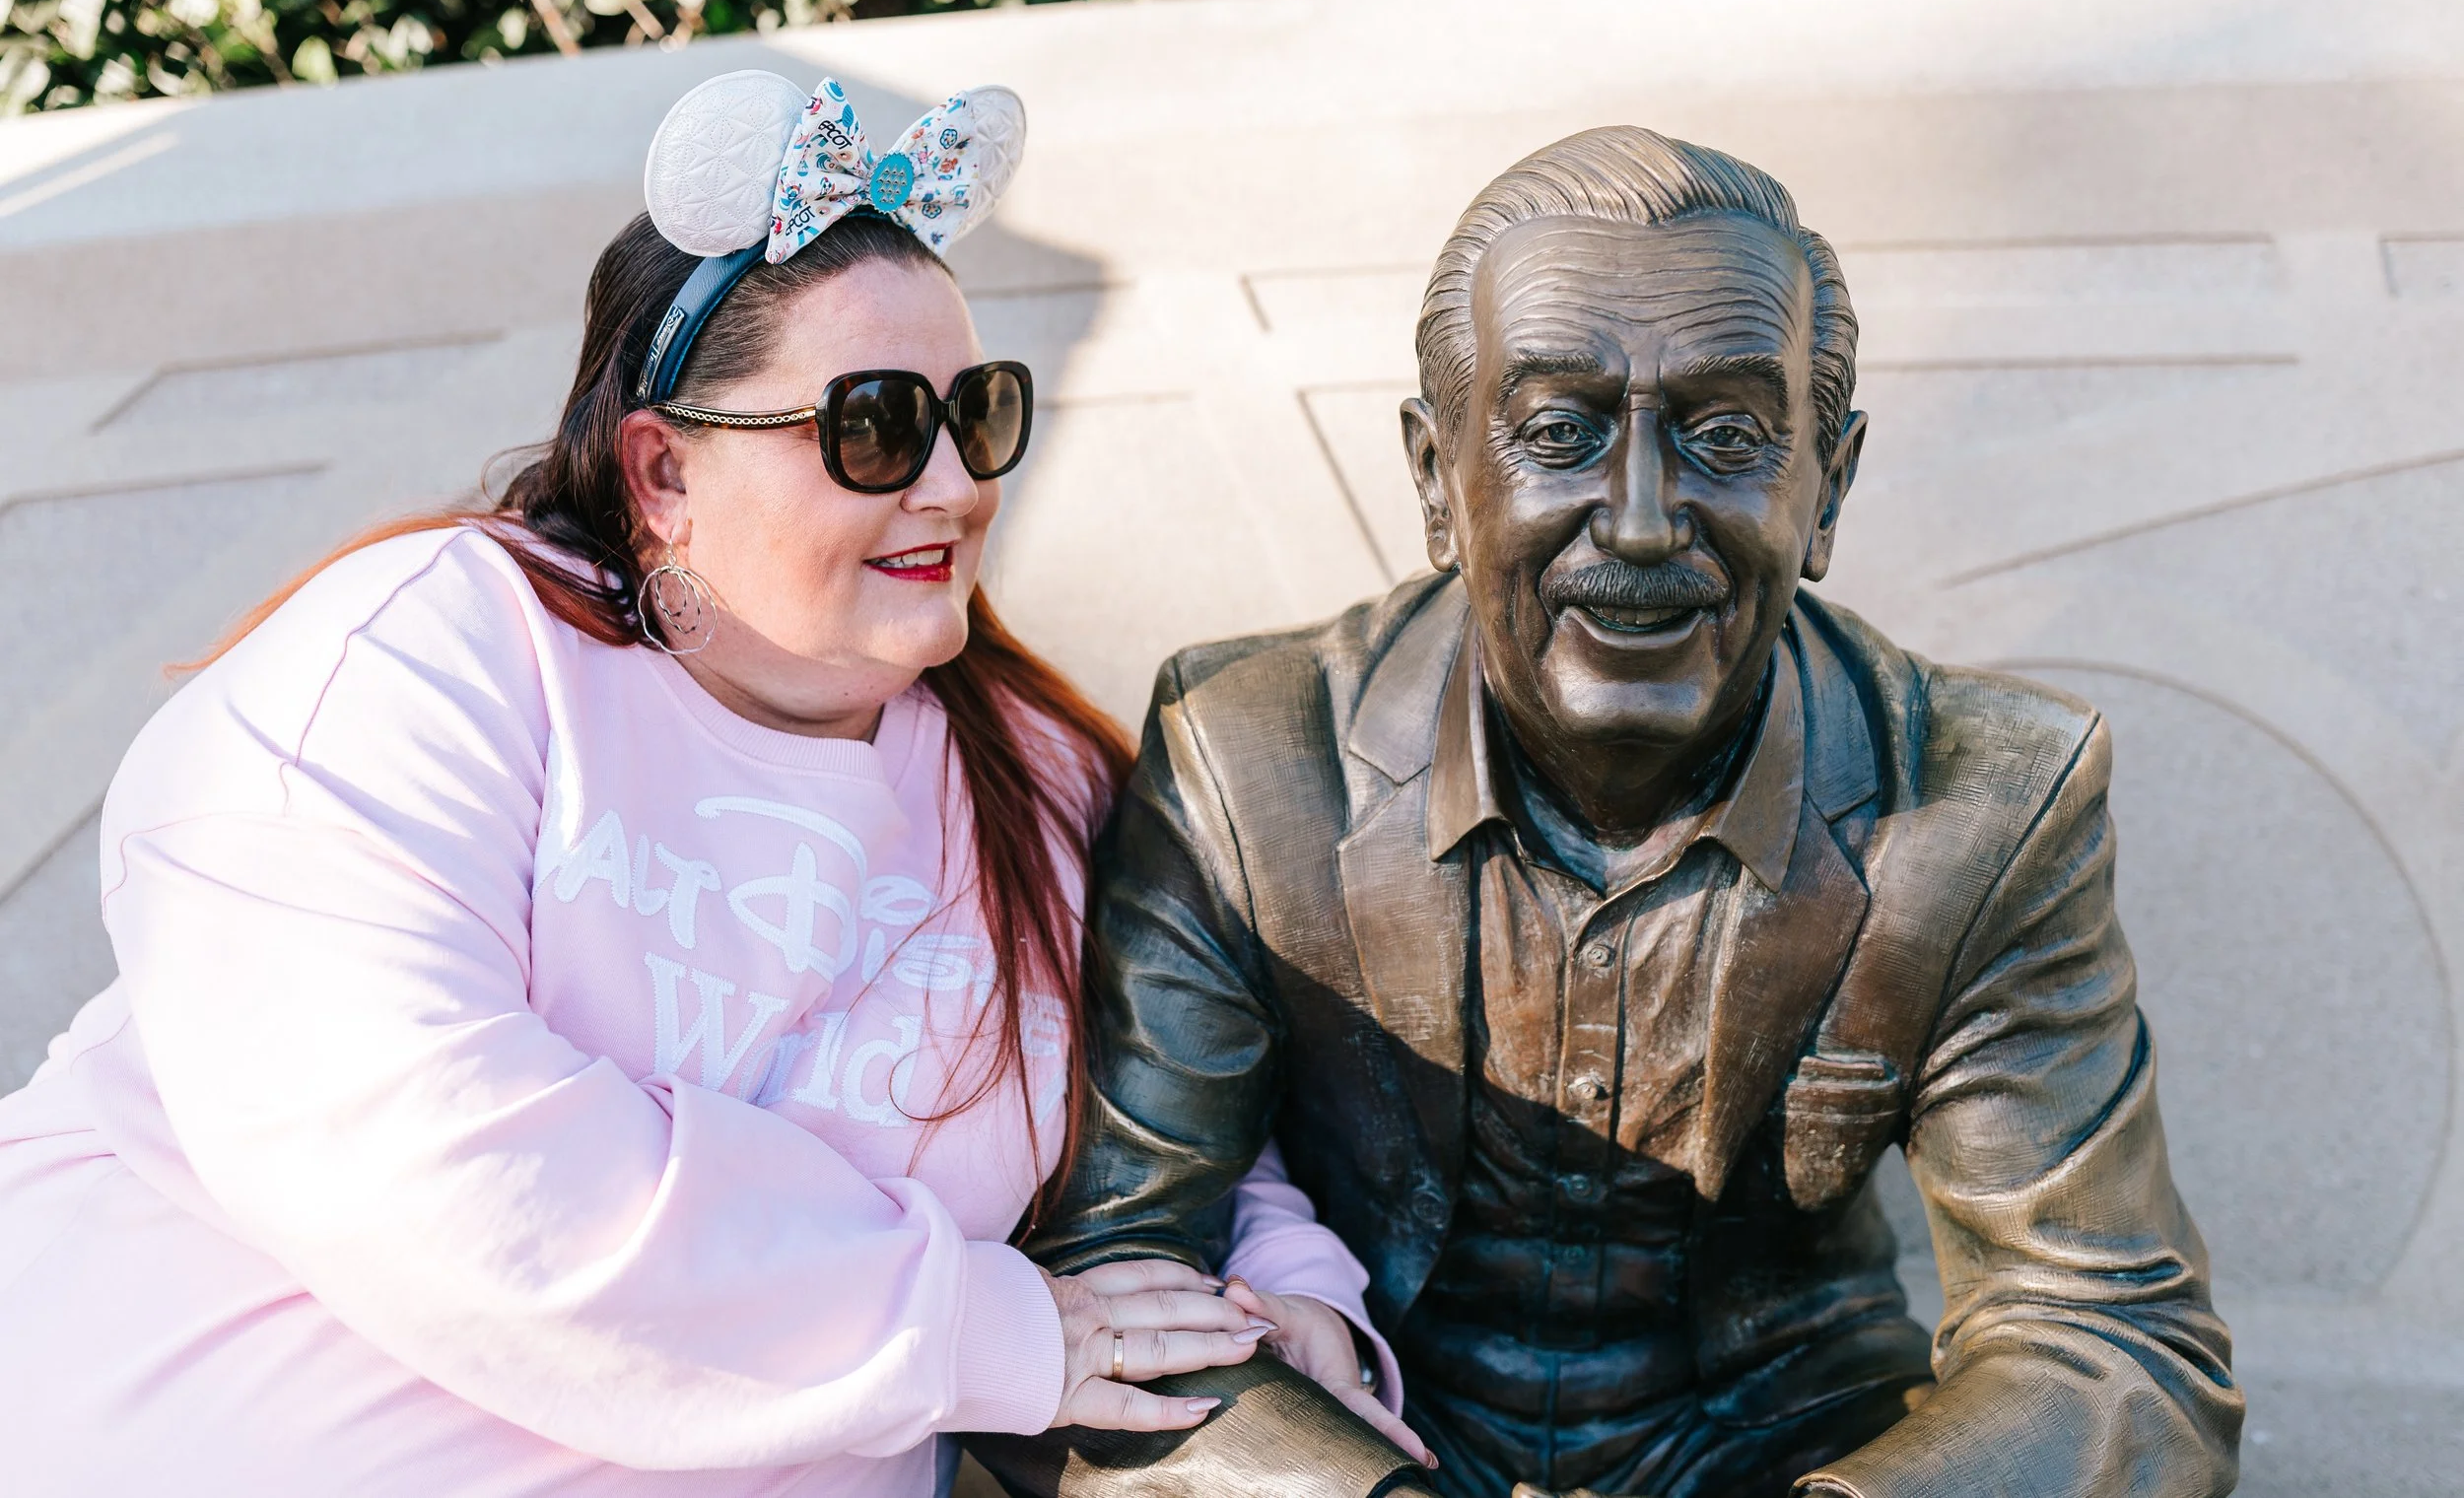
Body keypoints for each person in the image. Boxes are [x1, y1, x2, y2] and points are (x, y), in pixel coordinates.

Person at [0, 72, 1409, 1495]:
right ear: (665, 469)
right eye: (871, 425)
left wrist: (1286, 1276)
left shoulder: (1042, 789)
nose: (949, 484)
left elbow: (1186, 1087)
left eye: (977, 416)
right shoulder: (434, 657)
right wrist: (978, 1327)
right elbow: (430, 1158)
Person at [980, 127, 2242, 1498]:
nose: (1641, 520)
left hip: (1804, 1456)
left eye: (1729, 435)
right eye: (1559, 432)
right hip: (1373, 1439)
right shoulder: (1247, 760)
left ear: (1829, 487)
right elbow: (1111, 1274)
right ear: (1436, 479)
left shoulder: (1989, 801)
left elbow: (2114, 1341)